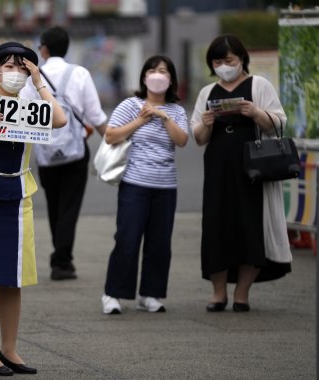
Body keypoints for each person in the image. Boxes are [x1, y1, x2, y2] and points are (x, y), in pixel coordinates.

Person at [0, 41, 66, 376]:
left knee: (12, 279)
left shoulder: (32, 103)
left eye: (23, 67)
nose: (16, 73)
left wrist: (39, 82)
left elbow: (60, 120)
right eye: (10, 66)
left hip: (19, 197)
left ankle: (10, 349)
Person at [190, 34, 292, 312]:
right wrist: (207, 123)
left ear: (241, 59)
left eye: (229, 60)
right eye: (217, 61)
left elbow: (278, 123)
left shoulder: (259, 85)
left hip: (252, 168)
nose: (223, 65)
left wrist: (254, 112)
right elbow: (198, 137)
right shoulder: (207, 92)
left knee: (250, 226)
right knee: (216, 227)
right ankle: (218, 293)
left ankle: (242, 294)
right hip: (218, 167)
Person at [100, 55, 189, 314]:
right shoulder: (131, 104)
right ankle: (113, 294)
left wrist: (162, 116)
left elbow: (182, 140)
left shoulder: (176, 110)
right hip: (134, 184)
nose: (157, 75)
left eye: (163, 71)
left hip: (166, 186)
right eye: (152, 70)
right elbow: (110, 135)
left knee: (159, 242)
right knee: (127, 238)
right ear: (144, 77)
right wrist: (140, 120)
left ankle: (151, 294)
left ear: (171, 79)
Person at [20, 26, 108, 281]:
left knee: (55, 206)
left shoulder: (32, 78)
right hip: (76, 152)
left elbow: (24, 114)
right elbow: (96, 115)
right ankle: (62, 261)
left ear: (44, 49)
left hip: (46, 153)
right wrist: (113, 141)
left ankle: (60, 257)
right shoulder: (80, 74)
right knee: (70, 207)